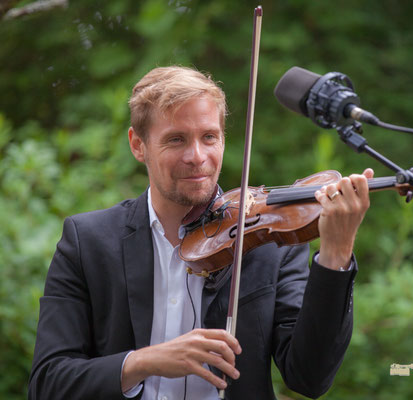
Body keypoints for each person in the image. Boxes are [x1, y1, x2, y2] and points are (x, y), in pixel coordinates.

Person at [28, 66, 373, 400]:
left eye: (209, 137)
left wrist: (335, 254)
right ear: (138, 145)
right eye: (176, 139)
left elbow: (310, 378)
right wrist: (145, 361)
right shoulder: (87, 241)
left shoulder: (270, 242)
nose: (197, 157)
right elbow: (48, 382)